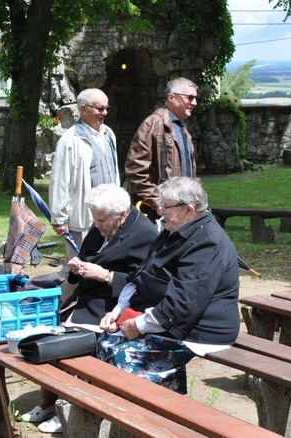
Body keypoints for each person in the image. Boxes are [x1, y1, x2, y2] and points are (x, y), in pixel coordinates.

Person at [21, 184, 157, 433]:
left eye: (102, 220)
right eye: (95, 218)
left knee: (69, 345)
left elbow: (146, 284)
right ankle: (49, 404)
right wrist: (77, 267)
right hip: (84, 299)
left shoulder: (145, 234)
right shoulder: (102, 223)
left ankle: (71, 406)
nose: (97, 224)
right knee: (49, 339)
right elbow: (88, 257)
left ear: (122, 215)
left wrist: (106, 275)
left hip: (112, 307)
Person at [97, 177, 240, 393]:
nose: (161, 211)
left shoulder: (207, 242)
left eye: (166, 206)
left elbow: (183, 304)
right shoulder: (175, 228)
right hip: (171, 323)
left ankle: (153, 417)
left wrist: (139, 325)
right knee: (104, 343)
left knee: (121, 359)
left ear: (189, 210)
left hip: (201, 331)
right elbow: (143, 274)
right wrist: (119, 311)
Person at [49, 88, 120, 264]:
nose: (104, 113)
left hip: (110, 216)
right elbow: (59, 181)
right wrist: (59, 218)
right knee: (79, 268)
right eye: (99, 108)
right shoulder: (70, 140)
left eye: (106, 108)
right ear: (83, 109)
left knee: (107, 264)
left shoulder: (108, 134)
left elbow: (114, 170)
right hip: (84, 220)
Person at [124, 77, 200, 222]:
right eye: (190, 98)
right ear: (171, 97)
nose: (194, 103)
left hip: (182, 208)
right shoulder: (153, 124)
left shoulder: (181, 126)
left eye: (195, 98)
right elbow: (135, 170)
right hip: (160, 212)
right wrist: (157, 201)